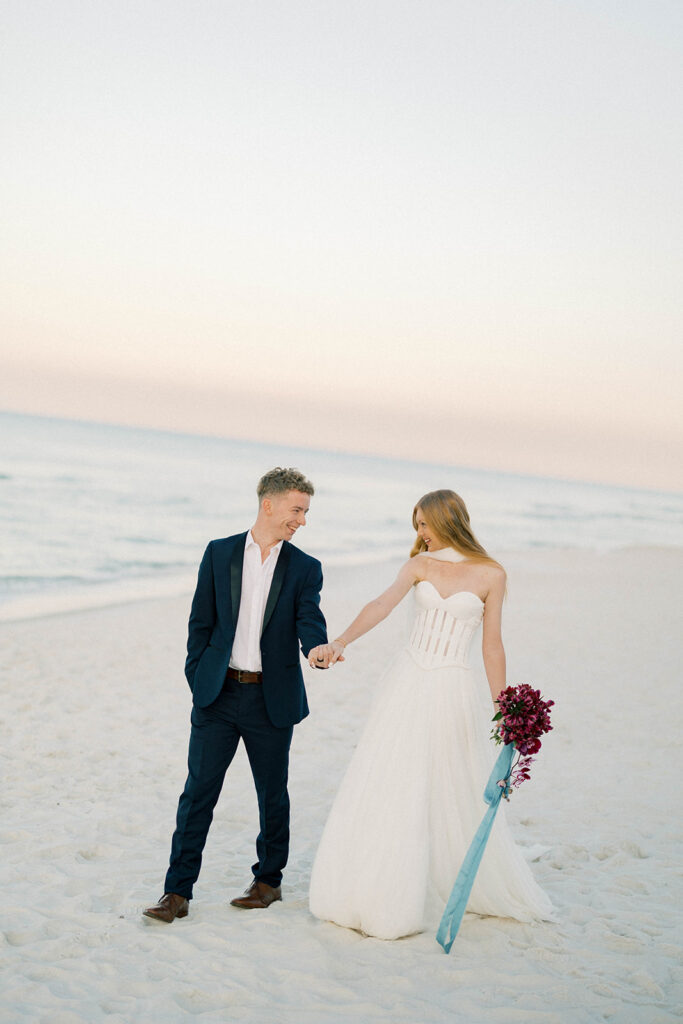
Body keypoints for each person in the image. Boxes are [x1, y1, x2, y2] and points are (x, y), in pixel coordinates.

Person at [307, 489, 553, 940]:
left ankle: (426, 880)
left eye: (424, 523)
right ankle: (369, 888)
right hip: (407, 681)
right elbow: (381, 604)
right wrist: (340, 642)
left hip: (450, 685)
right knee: (389, 778)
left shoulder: (491, 574)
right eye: (415, 524)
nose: (419, 533)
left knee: (442, 781)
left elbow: (492, 644)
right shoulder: (419, 565)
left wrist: (507, 713)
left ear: (448, 519)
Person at [144, 468, 330, 923]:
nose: (302, 520)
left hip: (272, 699)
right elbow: (199, 624)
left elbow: (309, 618)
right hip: (218, 696)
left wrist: (317, 647)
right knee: (198, 794)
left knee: (272, 795)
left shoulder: (305, 567)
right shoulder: (219, 552)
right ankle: (177, 893)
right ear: (268, 504)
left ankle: (268, 881)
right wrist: (198, 676)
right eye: (297, 510)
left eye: (305, 512)